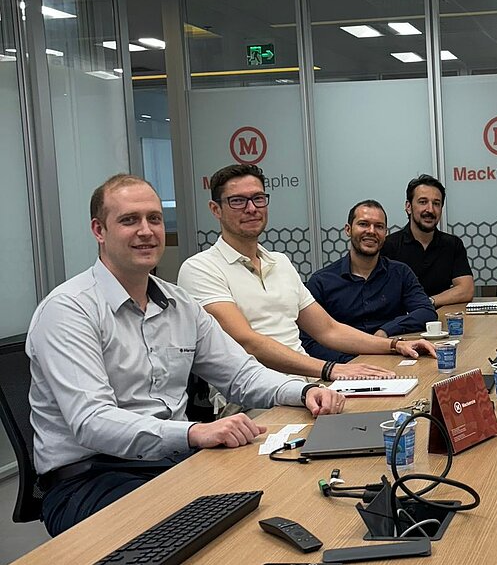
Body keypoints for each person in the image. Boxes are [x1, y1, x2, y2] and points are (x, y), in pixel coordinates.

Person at [27, 175, 344, 537]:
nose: (146, 231)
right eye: (129, 220)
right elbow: (92, 421)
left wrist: (304, 391)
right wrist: (194, 432)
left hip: (172, 463)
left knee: (279, 495)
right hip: (91, 479)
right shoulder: (68, 310)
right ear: (99, 230)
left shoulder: (179, 304)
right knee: (202, 534)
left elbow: (241, 374)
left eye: (154, 219)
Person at [177, 165, 436, 386]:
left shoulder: (280, 263)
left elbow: (328, 330)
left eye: (258, 198)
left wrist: (395, 345)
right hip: (252, 396)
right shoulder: (200, 268)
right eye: (237, 201)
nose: (251, 208)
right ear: (215, 209)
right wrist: (330, 369)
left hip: (308, 383)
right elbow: (247, 342)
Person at [302, 200, 437, 363]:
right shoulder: (321, 281)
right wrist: (351, 363)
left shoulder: (400, 273)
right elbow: (308, 341)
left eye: (379, 226)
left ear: (385, 233)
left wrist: (385, 331)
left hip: (393, 358)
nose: (371, 231)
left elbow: (426, 311)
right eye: (363, 224)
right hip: (344, 367)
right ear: (348, 230)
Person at [382, 174, 474, 308]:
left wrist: (427, 303)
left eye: (436, 203)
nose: (430, 210)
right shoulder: (388, 245)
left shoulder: (452, 245)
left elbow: (466, 290)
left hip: (440, 317)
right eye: (423, 202)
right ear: (408, 207)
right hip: (401, 319)